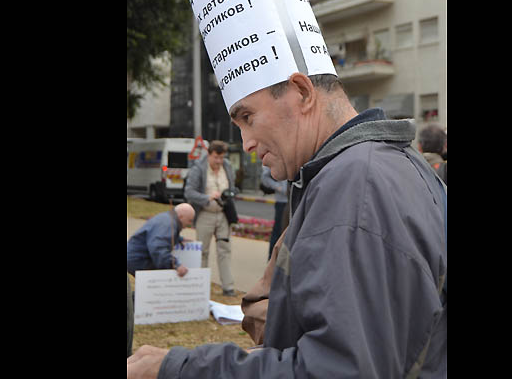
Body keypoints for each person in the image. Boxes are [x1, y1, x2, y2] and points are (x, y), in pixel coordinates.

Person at [128, 73, 447, 378]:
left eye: (247, 117)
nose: (247, 143)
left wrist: (173, 369)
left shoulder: (354, 185)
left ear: (303, 92)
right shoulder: (395, 165)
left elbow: (339, 370)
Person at [183, 140, 237, 296]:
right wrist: (207, 197)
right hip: (205, 214)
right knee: (202, 252)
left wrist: (230, 193)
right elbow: (189, 192)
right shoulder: (198, 168)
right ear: (209, 154)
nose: (219, 161)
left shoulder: (226, 166)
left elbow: (232, 187)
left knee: (224, 250)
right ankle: (201, 286)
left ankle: (228, 287)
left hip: (223, 214)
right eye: (216, 158)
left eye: (221, 158)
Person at [126, 203, 195, 278]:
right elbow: (158, 248)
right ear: (181, 217)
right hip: (139, 260)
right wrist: (176, 265)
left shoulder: (167, 218)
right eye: (189, 220)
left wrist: (179, 239)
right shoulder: (167, 224)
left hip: (136, 257)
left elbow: (159, 237)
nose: (190, 224)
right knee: (151, 285)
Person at [260, 165, 288, 260]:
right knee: (278, 231)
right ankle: (271, 259)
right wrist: (278, 187)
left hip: (294, 199)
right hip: (282, 201)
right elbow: (264, 177)